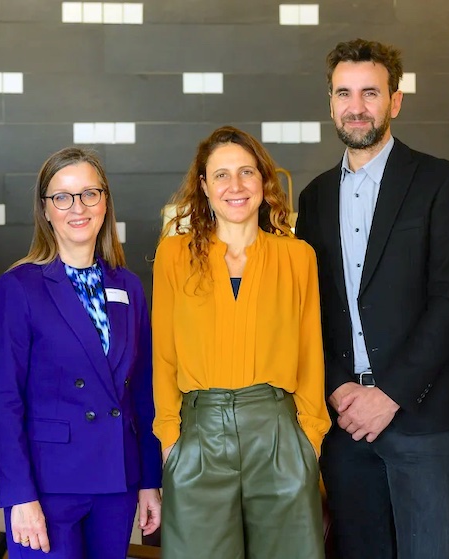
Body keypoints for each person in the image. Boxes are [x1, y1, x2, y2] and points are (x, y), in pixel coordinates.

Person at [295, 39, 449, 559]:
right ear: (330, 102)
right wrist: (337, 389)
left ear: (395, 101)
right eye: (345, 93)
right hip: (345, 424)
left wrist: (390, 393)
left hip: (421, 418)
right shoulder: (312, 199)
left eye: (371, 92)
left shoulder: (440, 182)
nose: (357, 106)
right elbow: (312, 310)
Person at [152, 126, 330, 559]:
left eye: (246, 172)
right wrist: (170, 437)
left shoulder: (297, 257)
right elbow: (163, 354)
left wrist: (309, 438)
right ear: (204, 187)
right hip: (198, 435)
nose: (235, 186)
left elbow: (310, 351)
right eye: (221, 175)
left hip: (278, 432)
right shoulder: (173, 255)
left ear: (264, 182)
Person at [0, 147, 162, 558]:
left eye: (89, 194)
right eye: (62, 197)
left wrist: (149, 479)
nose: (76, 207)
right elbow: (3, 399)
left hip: (116, 478)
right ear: (45, 210)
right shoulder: (20, 286)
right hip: (47, 484)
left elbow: (143, 392)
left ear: (104, 202)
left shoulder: (129, 286)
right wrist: (19, 496)